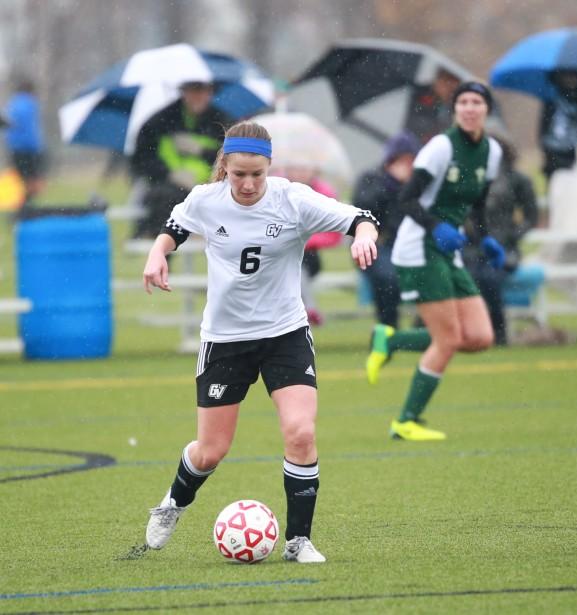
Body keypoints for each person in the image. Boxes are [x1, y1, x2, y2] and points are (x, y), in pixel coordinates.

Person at [140, 120, 379, 563]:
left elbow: (361, 219)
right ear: (224, 167)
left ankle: (298, 540)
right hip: (225, 340)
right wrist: (157, 254)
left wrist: (363, 238)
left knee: (301, 432)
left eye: (257, 174)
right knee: (211, 451)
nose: (248, 184)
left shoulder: (293, 199)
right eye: (238, 174)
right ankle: (173, 503)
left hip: (284, 333)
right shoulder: (205, 200)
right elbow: (172, 229)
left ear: (270, 167)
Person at [365, 82, 505, 441]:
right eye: (463, 102)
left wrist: (485, 237)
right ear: (455, 110)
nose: (469, 108)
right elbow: (408, 200)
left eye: (476, 102)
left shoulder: (491, 152)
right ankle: (405, 421)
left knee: (479, 336)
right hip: (418, 247)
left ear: (486, 110)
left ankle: (391, 341)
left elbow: (477, 203)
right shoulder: (441, 148)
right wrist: (437, 226)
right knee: (447, 340)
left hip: (448, 250)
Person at [461, 138, 539, 346]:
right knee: (464, 276)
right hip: (470, 247)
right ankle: (463, 331)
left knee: (488, 278)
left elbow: (531, 217)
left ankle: (497, 331)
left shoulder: (517, 180)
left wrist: (512, 235)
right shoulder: (466, 177)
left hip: (503, 248)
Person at [130, 81, 232, 238]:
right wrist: (169, 175)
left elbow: (233, 157)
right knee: (165, 199)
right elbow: (142, 159)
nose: (198, 96)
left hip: (211, 186)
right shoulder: (159, 122)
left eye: (203, 90)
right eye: (193, 90)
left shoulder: (222, 121)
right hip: (169, 189)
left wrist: (203, 152)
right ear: (184, 91)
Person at [352, 131, 422, 328]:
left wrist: (405, 187)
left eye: (410, 159)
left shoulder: (419, 183)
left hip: (410, 245)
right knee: (387, 278)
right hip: (378, 244)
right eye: (401, 159)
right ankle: (388, 328)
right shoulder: (371, 179)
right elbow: (364, 209)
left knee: (433, 277)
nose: (406, 165)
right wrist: (390, 185)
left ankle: (423, 328)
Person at [271, 164, 343, 327]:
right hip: (279, 254)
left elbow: (333, 233)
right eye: (295, 168)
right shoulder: (276, 190)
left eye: (304, 168)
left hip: (308, 255)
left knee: (294, 270)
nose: (299, 172)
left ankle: (307, 311)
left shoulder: (322, 194)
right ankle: (306, 312)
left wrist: (303, 237)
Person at [539, 69, 577, 179]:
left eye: (575, 75)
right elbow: (543, 133)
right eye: (566, 75)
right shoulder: (552, 103)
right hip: (556, 158)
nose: (571, 80)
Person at [4, 78, 46, 202]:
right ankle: (26, 206)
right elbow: (31, 129)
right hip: (30, 148)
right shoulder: (30, 104)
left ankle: (23, 205)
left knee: (22, 179)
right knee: (34, 180)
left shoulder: (12, 104)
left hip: (14, 148)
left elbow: (8, 126)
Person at [406, 70, 462, 144]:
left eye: (453, 90)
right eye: (449, 88)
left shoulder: (452, 106)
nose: (450, 93)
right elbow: (417, 123)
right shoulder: (421, 95)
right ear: (439, 82)